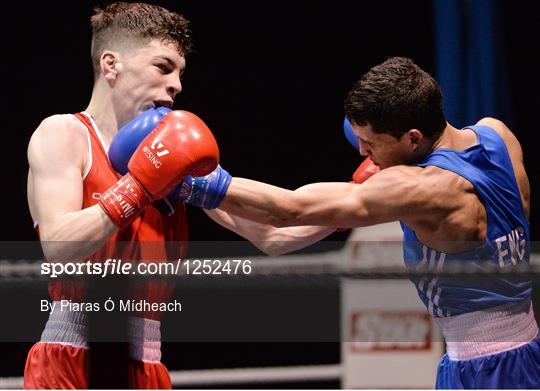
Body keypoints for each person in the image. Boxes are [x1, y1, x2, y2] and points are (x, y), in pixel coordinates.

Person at [25, 2, 344, 388]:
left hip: (147, 367)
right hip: (71, 359)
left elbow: (273, 235)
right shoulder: (64, 134)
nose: (177, 84)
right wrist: (140, 185)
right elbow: (59, 244)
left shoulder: (171, 157)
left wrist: (365, 202)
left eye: (179, 72)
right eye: (163, 67)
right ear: (111, 64)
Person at [180, 57, 540, 388]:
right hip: (528, 347)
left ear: (413, 138)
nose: (363, 154)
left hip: (482, 370)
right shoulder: (497, 134)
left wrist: (195, 181)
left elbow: (288, 208)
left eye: (370, 145)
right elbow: (277, 239)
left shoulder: (419, 189)